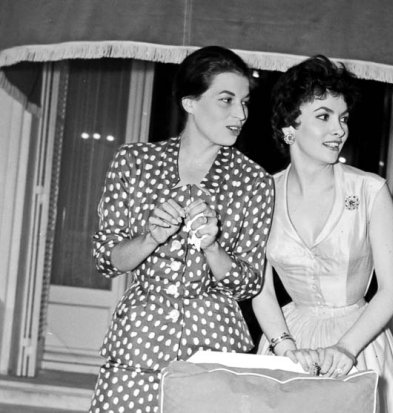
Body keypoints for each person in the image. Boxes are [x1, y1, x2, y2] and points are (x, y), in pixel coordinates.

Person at [89, 46, 274, 413]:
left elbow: (249, 283)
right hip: (137, 346)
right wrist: (150, 238)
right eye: (226, 100)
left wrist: (213, 247)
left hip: (214, 351)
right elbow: (107, 260)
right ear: (190, 102)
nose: (240, 113)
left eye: (245, 102)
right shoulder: (135, 162)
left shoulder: (254, 181)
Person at [252, 55, 393, 413]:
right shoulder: (262, 194)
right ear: (288, 127)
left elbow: (391, 289)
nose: (339, 129)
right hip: (288, 340)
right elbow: (260, 288)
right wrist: (284, 348)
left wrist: (346, 349)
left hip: (358, 341)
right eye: (324, 116)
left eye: (342, 118)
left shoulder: (371, 190)